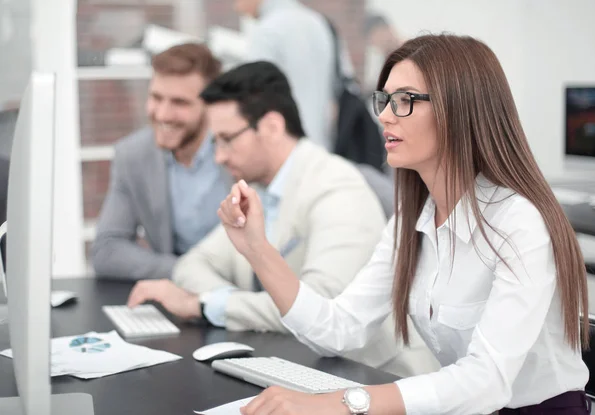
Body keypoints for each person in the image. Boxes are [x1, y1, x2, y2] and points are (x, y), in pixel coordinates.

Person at [217, 34, 592, 415]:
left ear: (459, 109)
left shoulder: (519, 221)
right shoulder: (412, 220)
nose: (383, 115)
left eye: (405, 100)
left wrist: (343, 404)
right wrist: (256, 248)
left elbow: (487, 380)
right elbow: (339, 329)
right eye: (384, 99)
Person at [126, 61, 440, 378]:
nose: (219, 156)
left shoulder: (335, 187)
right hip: (301, 365)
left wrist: (207, 306)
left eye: (227, 139)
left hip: (375, 378)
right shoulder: (259, 190)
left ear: (273, 127)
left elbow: (318, 307)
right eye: (215, 142)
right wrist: (235, 304)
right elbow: (191, 265)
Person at [91, 43, 231, 281]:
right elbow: (107, 249)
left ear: (210, 105)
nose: (163, 114)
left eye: (179, 103)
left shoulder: (239, 151)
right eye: (156, 98)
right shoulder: (133, 155)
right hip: (176, 290)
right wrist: (185, 272)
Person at [233, 0, 347, 151]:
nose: (236, 6)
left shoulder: (267, 30)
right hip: (322, 146)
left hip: (284, 148)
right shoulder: (317, 22)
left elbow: (255, 97)